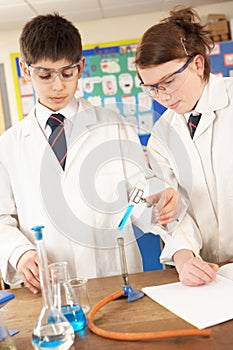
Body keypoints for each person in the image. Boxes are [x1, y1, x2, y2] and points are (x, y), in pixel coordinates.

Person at [0, 13, 181, 294]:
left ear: (81, 66)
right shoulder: (9, 145)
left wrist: (156, 202)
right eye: (45, 75)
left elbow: (138, 193)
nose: (57, 85)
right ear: (26, 70)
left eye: (67, 73)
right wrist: (20, 253)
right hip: (47, 287)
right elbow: (2, 219)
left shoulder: (115, 126)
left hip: (114, 277)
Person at [134, 6, 231, 286]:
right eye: (152, 87)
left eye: (169, 81)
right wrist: (185, 258)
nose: (162, 96)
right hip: (214, 273)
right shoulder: (163, 135)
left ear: (198, 64)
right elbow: (175, 211)